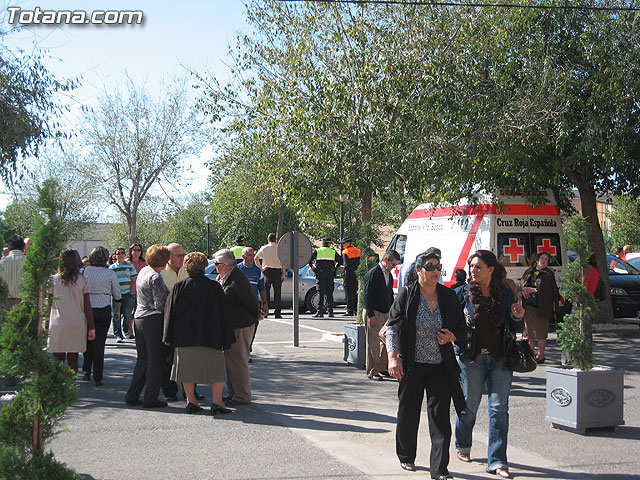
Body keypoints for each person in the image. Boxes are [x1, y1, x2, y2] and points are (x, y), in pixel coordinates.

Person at [386, 248, 466, 479]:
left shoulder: (448, 296)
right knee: (408, 413)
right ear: (419, 270)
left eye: (438, 266)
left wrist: (451, 336)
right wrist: (393, 357)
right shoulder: (408, 294)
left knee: (440, 417)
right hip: (412, 364)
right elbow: (393, 326)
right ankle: (406, 456)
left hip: (441, 365)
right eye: (430, 267)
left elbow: (462, 328)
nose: (435, 271)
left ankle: (440, 469)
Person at [454, 250, 525, 479]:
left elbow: (514, 329)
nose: (472, 271)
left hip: (500, 359)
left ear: (491, 270)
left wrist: (517, 317)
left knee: (499, 410)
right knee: (469, 408)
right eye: (471, 266)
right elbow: (453, 324)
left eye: (478, 267)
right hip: (471, 359)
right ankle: (463, 444)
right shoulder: (461, 294)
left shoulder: (504, 294)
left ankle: (497, 461)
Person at [163, 252, 235, 415]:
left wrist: (168, 337)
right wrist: (227, 336)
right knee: (216, 370)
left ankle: (191, 401)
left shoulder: (179, 287)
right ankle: (217, 402)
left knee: (187, 370)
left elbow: (170, 313)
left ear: (186, 267)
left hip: (185, 337)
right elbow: (223, 313)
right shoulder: (214, 287)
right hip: (211, 336)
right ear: (204, 267)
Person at [125, 244, 171, 408]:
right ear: (164, 261)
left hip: (139, 318)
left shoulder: (143, 271)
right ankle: (151, 398)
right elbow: (161, 304)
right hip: (152, 320)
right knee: (156, 361)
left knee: (143, 360)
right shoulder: (156, 277)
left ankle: (132, 395)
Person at [213, 248, 260, 406]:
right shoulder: (226, 276)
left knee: (238, 362)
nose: (215, 267)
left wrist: (254, 317)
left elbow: (251, 301)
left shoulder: (237, 278)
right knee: (230, 363)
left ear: (224, 265)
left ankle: (242, 396)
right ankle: (233, 394)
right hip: (232, 326)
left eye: (216, 264)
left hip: (241, 326)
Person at [160, 242, 202, 402]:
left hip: (188, 321)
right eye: (179, 255)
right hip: (169, 320)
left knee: (190, 358)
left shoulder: (188, 271)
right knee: (168, 358)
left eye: (183, 255)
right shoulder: (161, 272)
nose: (182, 258)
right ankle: (169, 390)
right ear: (168, 257)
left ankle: (190, 392)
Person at [48, 249, 96, 373]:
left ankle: (57, 387)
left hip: (58, 323)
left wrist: (46, 323)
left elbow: (49, 304)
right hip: (77, 323)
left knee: (57, 358)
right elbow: (87, 306)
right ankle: (70, 387)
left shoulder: (53, 280)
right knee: (73, 357)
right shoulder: (83, 280)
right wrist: (91, 327)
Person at [82, 246, 122, 386]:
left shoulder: (85, 271)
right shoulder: (110, 273)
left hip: (87, 309)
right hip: (103, 308)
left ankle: (87, 371)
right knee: (100, 343)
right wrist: (117, 311)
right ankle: (98, 377)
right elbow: (117, 294)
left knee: (88, 341)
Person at [363, 250, 400, 381]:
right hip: (374, 312)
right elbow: (367, 296)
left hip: (386, 312)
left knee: (387, 341)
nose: (394, 267)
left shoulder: (389, 276)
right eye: (393, 264)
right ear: (385, 260)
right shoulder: (373, 273)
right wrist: (370, 315)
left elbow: (389, 294)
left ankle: (382, 367)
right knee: (373, 343)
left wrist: (392, 313)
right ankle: (372, 371)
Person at [519, 251, 559, 364]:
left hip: (542, 307)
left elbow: (551, 291)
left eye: (546, 259)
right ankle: (531, 355)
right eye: (542, 258)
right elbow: (521, 285)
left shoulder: (548, 274)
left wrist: (534, 290)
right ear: (537, 259)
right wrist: (524, 290)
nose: (544, 261)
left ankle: (540, 355)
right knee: (530, 333)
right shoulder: (529, 271)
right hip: (529, 307)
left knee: (541, 333)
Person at [238, 247, 269, 360]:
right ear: (243, 257)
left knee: (253, 327)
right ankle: (242, 351)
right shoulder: (238, 270)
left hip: (253, 304)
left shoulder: (257, 271)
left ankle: (248, 350)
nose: (252, 257)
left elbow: (262, 288)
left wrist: (265, 303)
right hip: (240, 305)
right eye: (250, 255)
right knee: (241, 329)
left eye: (253, 254)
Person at [109, 247, 137, 342]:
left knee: (128, 314)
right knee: (116, 314)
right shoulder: (112, 268)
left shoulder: (130, 266)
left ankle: (125, 328)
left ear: (125, 255)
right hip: (116, 294)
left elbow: (133, 280)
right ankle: (118, 334)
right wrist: (111, 292)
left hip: (127, 294)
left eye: (122, 253)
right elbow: (109, 282)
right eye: (118, 253)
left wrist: (132, 291)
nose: (120, 255)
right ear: (115, 255)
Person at [308, 237, 342, 317]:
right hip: (330, 274)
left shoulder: (318, 251)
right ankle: (330, 312)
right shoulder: (333, 251)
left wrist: (314, 269)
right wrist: (335, 268)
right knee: (330, 293)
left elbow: (309, 260)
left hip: (320, 274)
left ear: (323, 243)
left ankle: (320, 312)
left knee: (320, 292)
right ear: (329, 243)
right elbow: (340, 260)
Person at [255, 233, 285, 318]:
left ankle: (265, 312)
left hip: (267, 271)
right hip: (277, 270)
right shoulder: (279, 248)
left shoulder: (264, 248)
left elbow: (255, 258)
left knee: (266, 292)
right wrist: (283, 273)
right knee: (277, 293)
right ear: (275, 240)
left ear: (268, 240)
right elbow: (284, 262)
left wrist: (261, 269)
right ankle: (278, 313)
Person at [341, 236, 361, 316]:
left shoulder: (345, 252)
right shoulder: (357, 251)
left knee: (348, 292)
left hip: (348, 273)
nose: (343, 245)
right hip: (356, 273)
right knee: (354, 291)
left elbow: (346, 264)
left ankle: (349, 310)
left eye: (344, 243)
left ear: (348, 243)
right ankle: (356, 310)